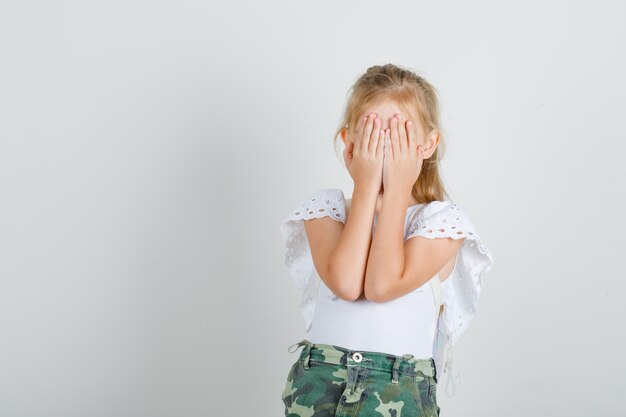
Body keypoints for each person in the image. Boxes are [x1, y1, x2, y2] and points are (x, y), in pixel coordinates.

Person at [279, 63, 495, 416]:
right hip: (319, 382)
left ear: (428, 144)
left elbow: (381, 285)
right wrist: (365, 187)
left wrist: (396, 192)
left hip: (399, 385)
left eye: (398, 135)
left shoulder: (442, 222)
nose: (384, 146)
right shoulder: (326, 211)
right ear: (349, 141)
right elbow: (347, 284)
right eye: (371, 133)